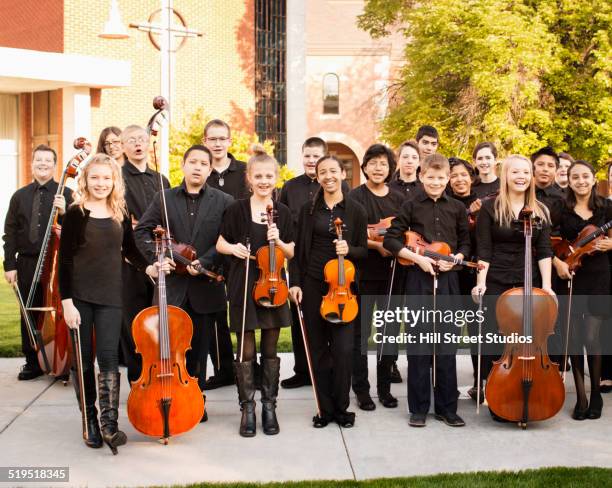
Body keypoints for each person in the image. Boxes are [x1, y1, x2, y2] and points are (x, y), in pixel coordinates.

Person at [58, 154, 164, 453]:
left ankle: (109, 423)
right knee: (84, 361)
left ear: (114, 180)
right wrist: (67, 303)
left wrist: (149, 267)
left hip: (110, 297)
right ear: (86, 180)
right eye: (95, 178)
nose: (101, 183)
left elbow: (129, 249)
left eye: (106, 178)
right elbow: (64, 263)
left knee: (107, 360)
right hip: (79, 299)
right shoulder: (76, 214)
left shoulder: (120, 210)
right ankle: (89, 420)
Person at [135, 145, 232, 421]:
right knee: (168, 349)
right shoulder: (163, 198)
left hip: (205, 287)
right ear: (184, 165)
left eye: (204, 163)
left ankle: (194, 398)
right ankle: (166, 395)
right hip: (172, 288)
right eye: (193, 162)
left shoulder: (223, 200)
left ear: (210, 169)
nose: (198, 167)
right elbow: (142, 231)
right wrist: (162, 255)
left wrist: (206, 261)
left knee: (198, 351)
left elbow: (226, 238)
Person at [384, 154, 470, 428]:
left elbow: (466, 242)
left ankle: (447, 408)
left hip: (449, 281)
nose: (435, 182)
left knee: (446, 346)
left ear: (448, 179)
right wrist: (418, 259)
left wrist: (455, 259)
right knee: (419, 346)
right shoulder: (410, 205)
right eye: (430, 177)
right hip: (418, 280)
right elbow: (391, 239)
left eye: (441, 178)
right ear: (421, 177)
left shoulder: (457, 207)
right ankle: (418, 408)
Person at [216, 145, 294, 436]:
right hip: (243, 282)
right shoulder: (236, 209)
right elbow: (220, 243)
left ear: (276, 178)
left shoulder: (283, 212)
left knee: (271, 347)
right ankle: (247, 406)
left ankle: (269, 405)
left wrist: (279, 240)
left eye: (268, 176)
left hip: (273, 284)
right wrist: (233, 248)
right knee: (246, 347)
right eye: (258, 175)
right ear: (249, 178)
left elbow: (292, 252)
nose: (263, 181)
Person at [472, 155, 554, 421]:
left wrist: (548, 287)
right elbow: (484, 248)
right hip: (497, 279)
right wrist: (481, 283)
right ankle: (499, 393)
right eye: (515, 172)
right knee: (499, 344)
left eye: (526, 172)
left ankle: (530, 392)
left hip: (528, 281)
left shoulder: (540, 210)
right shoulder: (490, 208)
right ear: (505, 175)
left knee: (531, 339)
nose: (521, 176)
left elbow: (544, 250)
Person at [289, 155, 368, 428]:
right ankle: (325, 409)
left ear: (342, 174)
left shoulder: (355, 210)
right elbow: (299, 251)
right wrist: (296, 283)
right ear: (318, 177)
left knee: (345, 349)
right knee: (318, 349)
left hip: (343, 289)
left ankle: (342, 407)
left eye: (333, 171)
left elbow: (364, 250)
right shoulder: (307, 210)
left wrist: (350, 250)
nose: (328, 176)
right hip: (313, 285)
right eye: (323, 172)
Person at [3, 144, 72, 380]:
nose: (43, 164)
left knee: (58, 313)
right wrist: (9, 265)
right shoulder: (19, 196)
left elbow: (78, 229)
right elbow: (9, 233)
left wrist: (66, 212)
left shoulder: (67, 194)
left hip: (57, 264)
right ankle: (32, 362)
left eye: (48, 160)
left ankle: (60, 360)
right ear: (32, 164)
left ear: (55, 165)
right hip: (27, 262)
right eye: (38, 160)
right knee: (29, 311)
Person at [551, 160, 612, 420]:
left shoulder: (607, 207)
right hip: (570, 275)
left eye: (585, 176)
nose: (581, 181)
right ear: (569, 180)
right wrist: (557, 264)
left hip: (599, 276)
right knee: (574, 339)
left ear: (593, 178)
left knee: (592, 337)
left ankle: (595, 393)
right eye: (575, 177)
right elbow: (547, 241)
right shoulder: (559, 208)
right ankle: (581, 397)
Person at [278, 136, 340, 389]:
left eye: (317, 156)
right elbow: (282, 219)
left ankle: (327, 369)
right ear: (301, 156)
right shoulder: (290, 187)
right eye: (307, 156)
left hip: (329, 261)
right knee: (300, 315)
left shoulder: (333, 186)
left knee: (329, 318)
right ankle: (303, 370)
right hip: (297, 256)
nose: (311, 161)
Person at [348, 144, 404, 411]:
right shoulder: (355, 196)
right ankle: (362, 390)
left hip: (393, 274)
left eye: (383, 163)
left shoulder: (399, 199)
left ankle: (385, 389)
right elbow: (352, 235)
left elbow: (405, 233)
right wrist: (377, 246)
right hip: (362, 273)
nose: (378, 168)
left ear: (390, 168)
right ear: (365, 167)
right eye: (373, 163)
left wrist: (392, 246)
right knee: (361, 334)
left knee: (388, 332)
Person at [120, 125, 171, 383]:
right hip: (131, 260)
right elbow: (124, 222)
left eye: (142, 139)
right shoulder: (118, 177)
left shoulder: (161, 179)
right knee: (134, 321)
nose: (138, 144)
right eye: (132, 140)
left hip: (160, 257)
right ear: (123, 147)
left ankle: (160, 376)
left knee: (159, 320)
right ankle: (137, 379)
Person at [202, 119, 250, 390]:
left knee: (245, 312)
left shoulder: (244, 171)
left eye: (222, 139)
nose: (218, 144)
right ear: (205, 141)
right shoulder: (199, 169)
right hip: (211, 252)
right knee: (214, 315)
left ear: (230, 141)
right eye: (213, 139)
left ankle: (248, 365)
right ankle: (222, 369)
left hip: (241, 253)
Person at [448, 157, 481, 402]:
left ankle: (480, 382)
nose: (459, 179)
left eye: (463, 174)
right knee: (450, 331)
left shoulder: (484, 202)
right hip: (454, 274)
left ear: (471, 176)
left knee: (478, 331)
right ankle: (444, 385)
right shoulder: (446, 205)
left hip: (478, 273)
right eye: (454, 175)